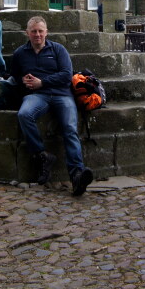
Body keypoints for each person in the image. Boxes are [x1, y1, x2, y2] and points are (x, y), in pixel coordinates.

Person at [11, 16, 94, 196]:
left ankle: (77, 175)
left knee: (70, 128)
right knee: (24, 115)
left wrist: (43, 82)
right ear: (27, 33)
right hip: (36, 96)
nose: (37, 35)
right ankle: (42, 156)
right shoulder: (20, 53)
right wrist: (22, 80)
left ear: (46, 32)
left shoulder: (58, 49)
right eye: (33, 31)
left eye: (41, 31)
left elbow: (66, 75)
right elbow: (13, 75)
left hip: (61, 95)